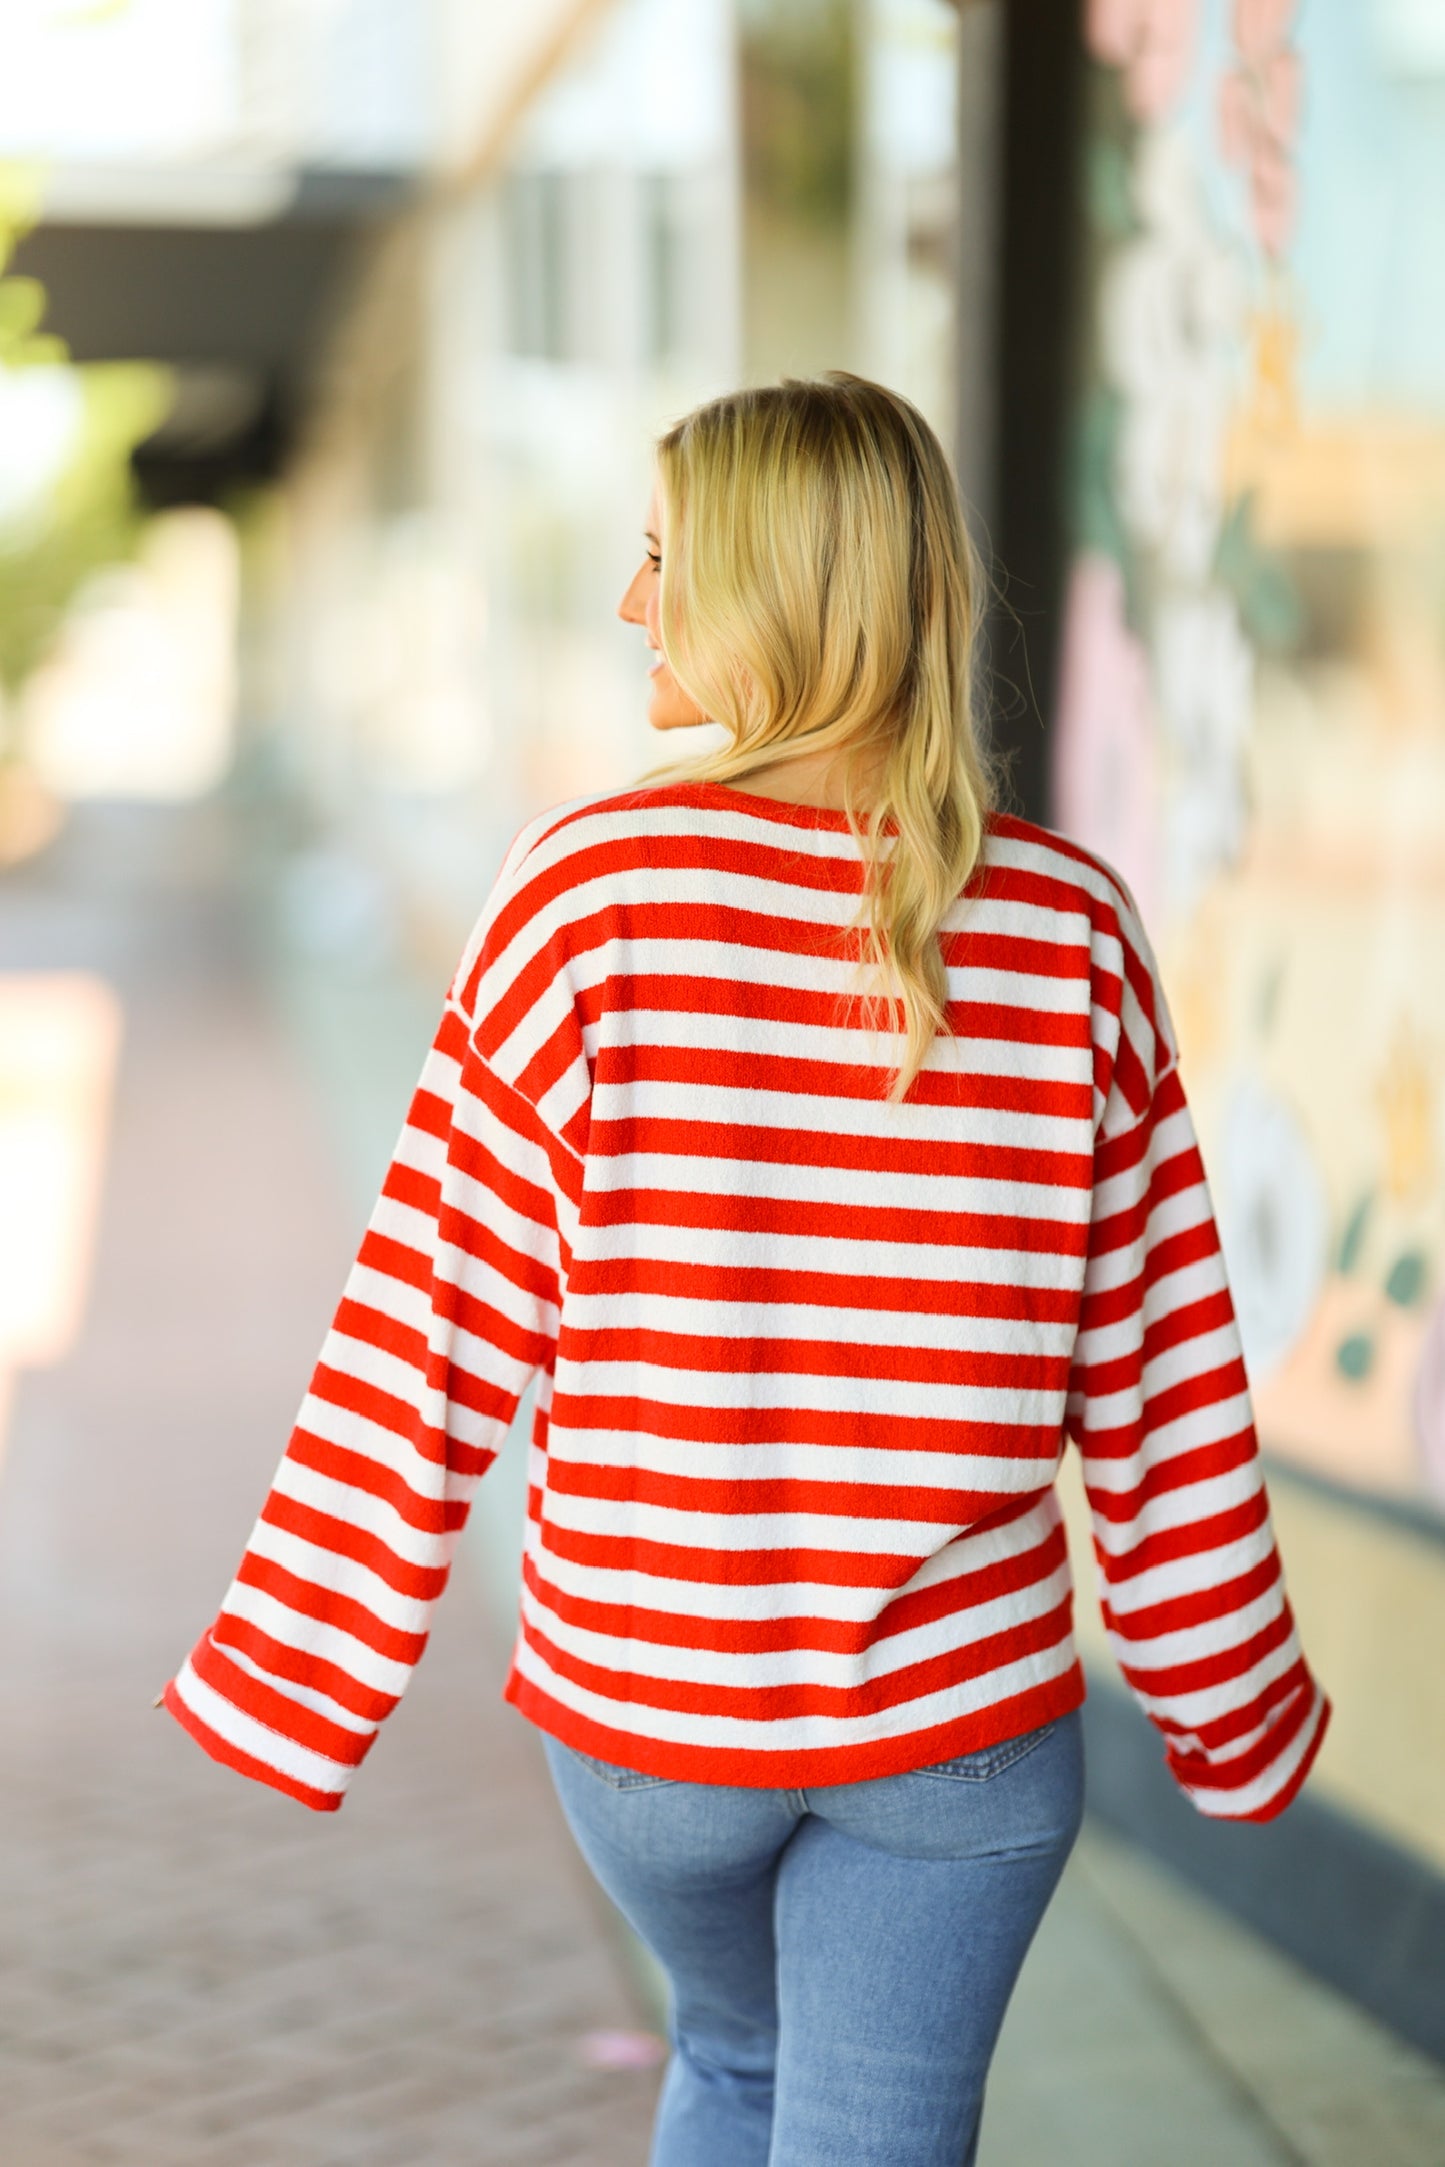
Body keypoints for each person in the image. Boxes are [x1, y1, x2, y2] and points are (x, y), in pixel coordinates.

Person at [163, 373, 1329, 2166]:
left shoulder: (588, 897)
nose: (635, 605)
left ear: (779, 591)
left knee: (733, 2062)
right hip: (960, 1730)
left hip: (651, 1719)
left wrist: (300, 1668)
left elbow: (430, 1325)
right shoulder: (1069, 929)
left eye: (662, 561)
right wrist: (1232, 1709)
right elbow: (1166, 1388)